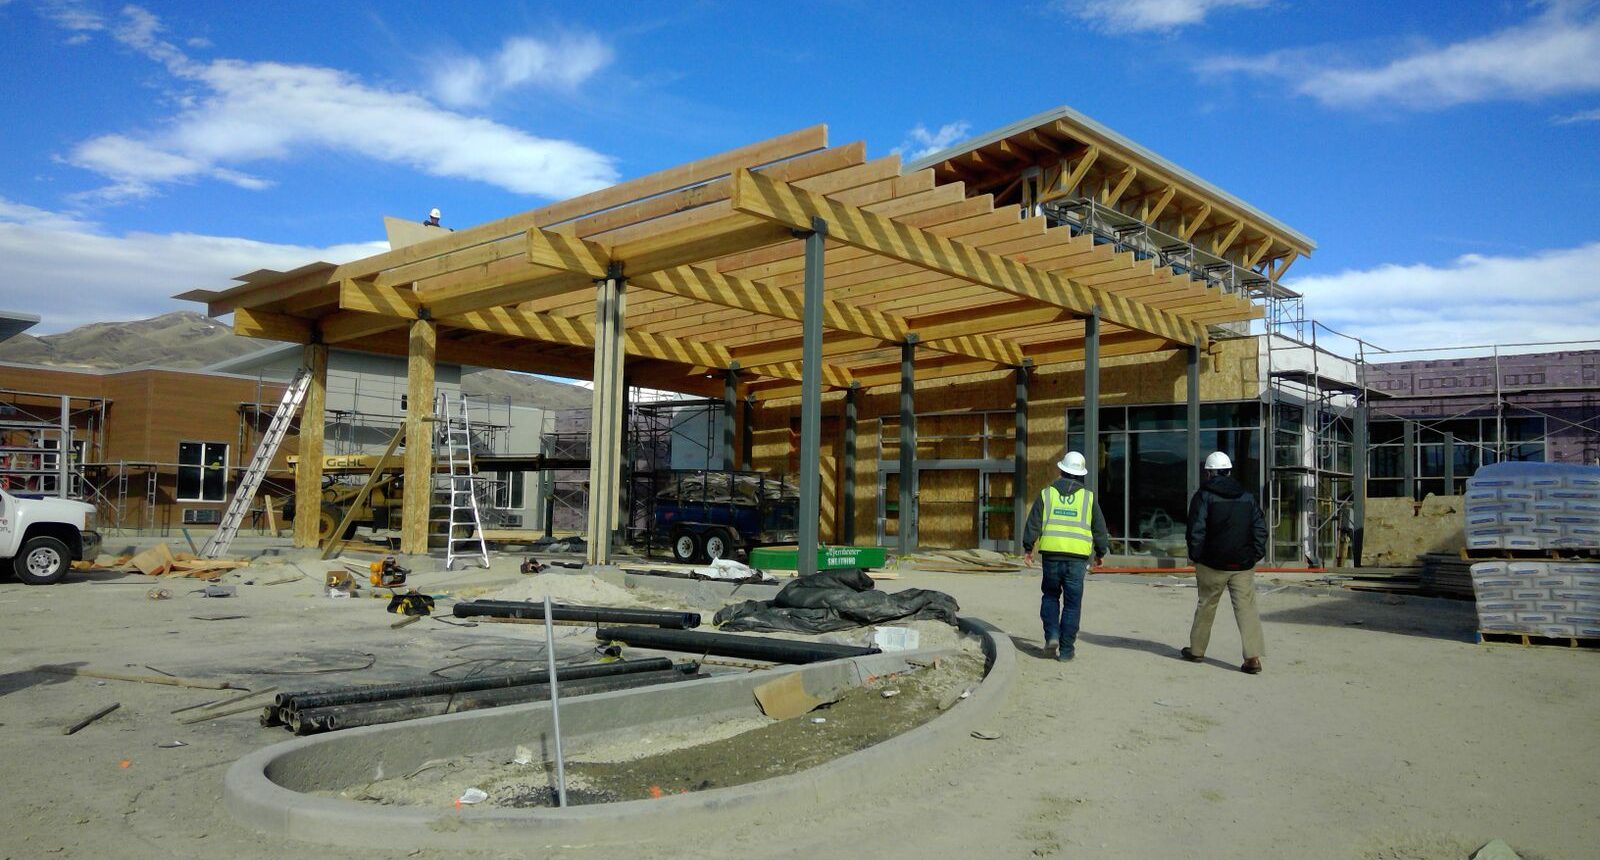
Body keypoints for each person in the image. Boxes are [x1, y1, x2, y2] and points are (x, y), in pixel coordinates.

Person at [1181, 451, 1270, 674]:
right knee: (1247, 609)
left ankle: (1197, 650)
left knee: (1206, 606)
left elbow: (1196, 530)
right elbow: (1260, 528)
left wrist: (1197, 556)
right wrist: (1254, 555)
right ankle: (1252, 659)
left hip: (1211, 563)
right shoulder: (1247, 496)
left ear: (1209, 473)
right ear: (1229, 472)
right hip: (1242, 564)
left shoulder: (1203, 496)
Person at [1022, 450, 1110, 661]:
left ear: (1061, 470)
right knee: (1072, 604)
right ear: (1081, 474)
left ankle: (1051, 635)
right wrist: (1100, 552)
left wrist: (1028, 549)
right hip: (1077, 560)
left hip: (1051, 556)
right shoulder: (1088, 498)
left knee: (1050, 596)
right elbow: (1099, 528)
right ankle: (1067, 650)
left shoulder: (1046, 494)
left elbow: (1033, 523)